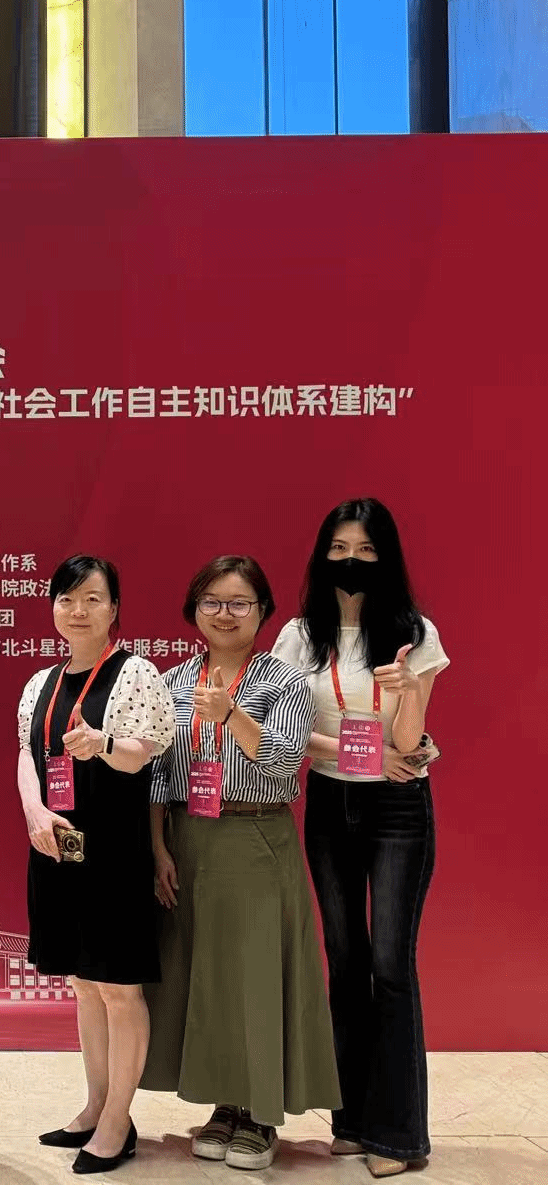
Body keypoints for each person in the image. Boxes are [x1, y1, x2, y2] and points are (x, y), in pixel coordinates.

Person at [140, 556, 340, 1171]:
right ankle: (224, 1103)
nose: (224, 614)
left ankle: (260, 1112)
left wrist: (231, 714)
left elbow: (282, 762)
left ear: (262, 612)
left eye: (239, 603)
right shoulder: (172, 681)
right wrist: (158, 849)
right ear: (193, 611)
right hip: (187, 839)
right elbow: (156, 773)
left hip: (255, 836)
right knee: (206, 975)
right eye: (212, 602)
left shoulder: (285, 681)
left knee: (255, 974)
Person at [271, 499, 447, 1179]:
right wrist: (359, 754)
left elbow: (410, 741)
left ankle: (398, 1135)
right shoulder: (299, 637)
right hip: (329, 800)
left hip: (398, 807)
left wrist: (408, 692)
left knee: (392, 966)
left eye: (367, 550)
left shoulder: (415, 633)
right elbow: (288, 731)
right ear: (323, 555)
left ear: (386, 557)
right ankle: (350, 1119)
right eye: (340, 548)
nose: (352, 560)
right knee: (344, 960)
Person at [17, 555, 174, 1176]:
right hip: (56, 850)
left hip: (114, 852)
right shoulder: (41, 681)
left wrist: (102, 743)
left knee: (118, 987)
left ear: (114, 609)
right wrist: (35, 813)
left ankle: (117, 1121)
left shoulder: (135, 672)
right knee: (83, 983)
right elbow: (27, 758)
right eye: (66, 599)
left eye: (92, 599)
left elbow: (143, 754)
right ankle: (94, 1105)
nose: (77, 610)